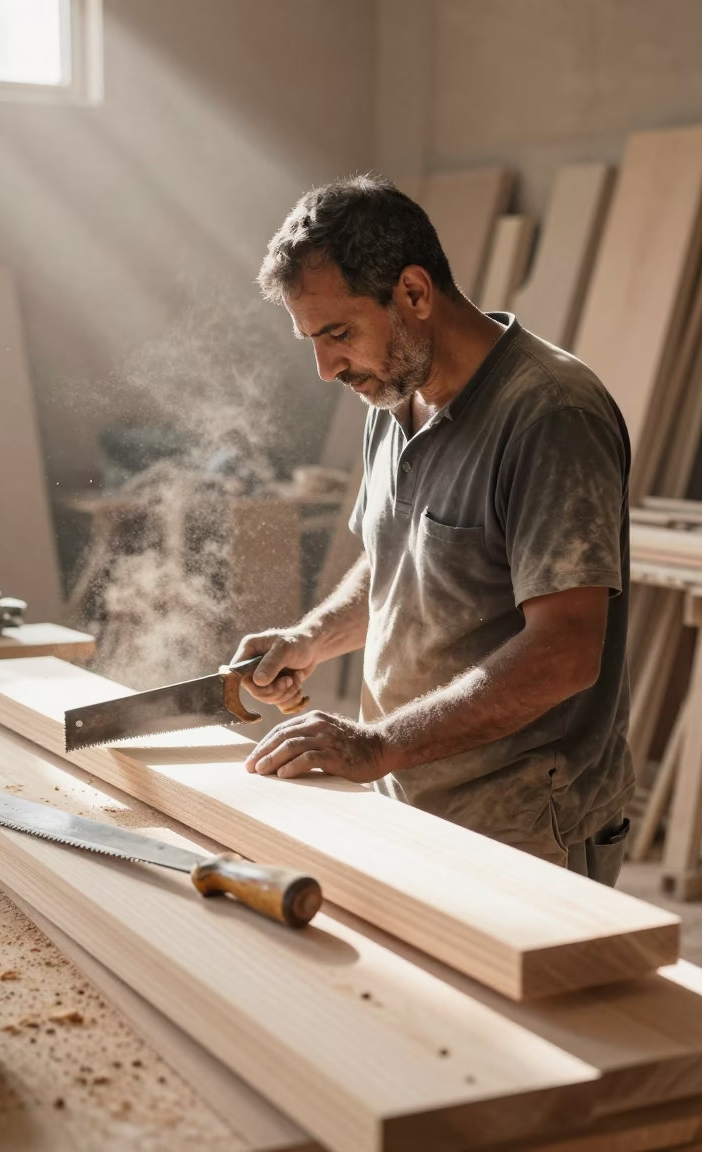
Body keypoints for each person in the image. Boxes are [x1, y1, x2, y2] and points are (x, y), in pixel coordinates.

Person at [232, 174, 634, 886]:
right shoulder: (392, 396)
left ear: (415, 294)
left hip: (524, 825)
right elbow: (399, 562)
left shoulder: (549, 413)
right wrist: (311, 638)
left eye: (337, 333)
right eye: (311, 340)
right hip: (409, 794)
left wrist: (377, 743)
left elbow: (566, 653)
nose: (326, 368)